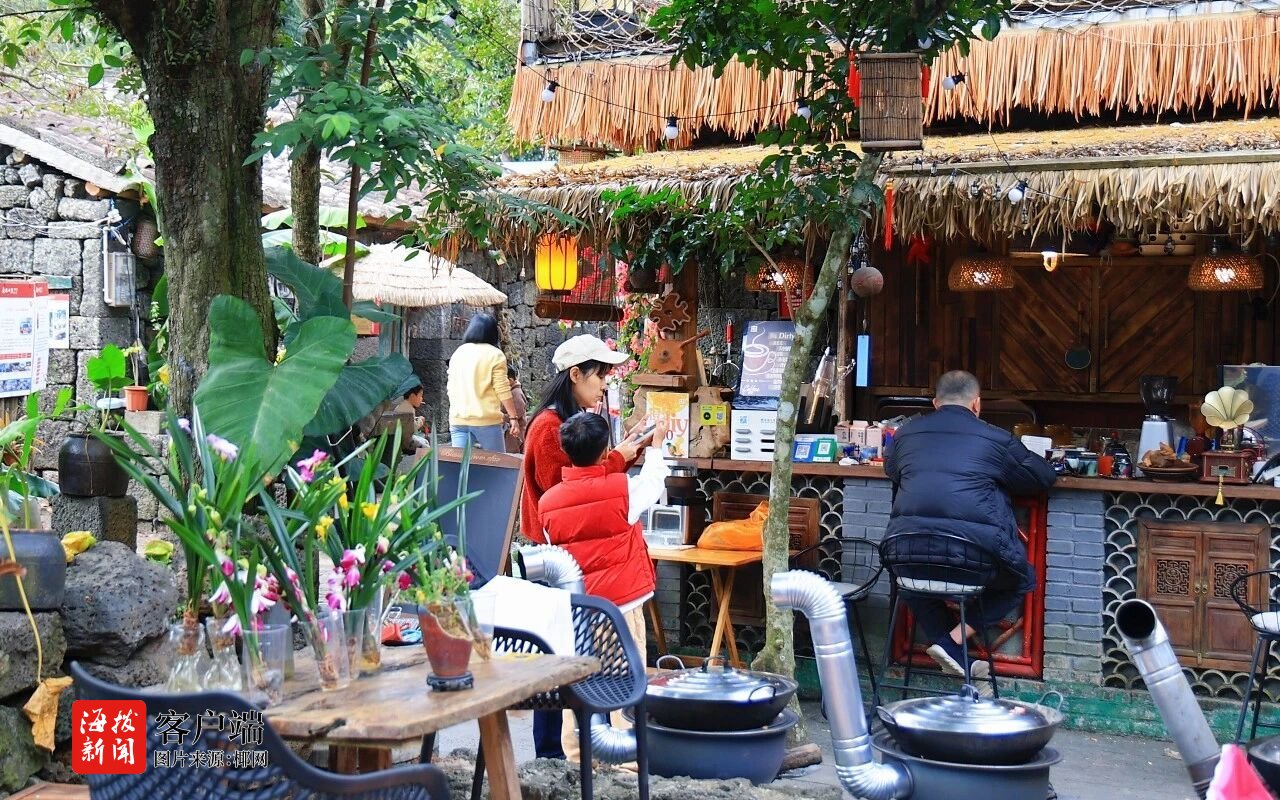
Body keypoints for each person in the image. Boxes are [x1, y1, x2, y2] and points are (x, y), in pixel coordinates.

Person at [883, 369, 1057, 681]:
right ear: (977, 403)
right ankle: (953, 643)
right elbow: (1041, 477)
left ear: (936, 403)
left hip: (903, 552)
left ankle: (950, 649)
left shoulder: (905, 434)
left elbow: (892, 470)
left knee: (909, 579)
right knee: (1022, 580)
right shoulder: (996, 438)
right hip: (971, 558)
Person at [520, 333, 646, 760]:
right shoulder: (547, 428)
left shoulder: (567, 421)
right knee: (557, 657)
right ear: (575, 374)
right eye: (600, 375)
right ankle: (550, 755)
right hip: (554, 557)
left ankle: (572, 750)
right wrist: (620, 458)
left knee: (572, 652)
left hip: (568, 554)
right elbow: (571, 492)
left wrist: (622, 453)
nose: (604, 383)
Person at [538, 411, 668, 763]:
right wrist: (656, 447)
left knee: (578, 683)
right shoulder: (623, 489)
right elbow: (653, 483)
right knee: (625, 683)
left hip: (578, 611)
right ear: (604, 450)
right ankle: (627, 763)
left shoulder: (547, 503)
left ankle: (577, 759)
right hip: (621, 605)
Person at [447, 313, 522, 451]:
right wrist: (513, 418)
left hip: (458, 419)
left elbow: (451, 387)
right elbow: (502, 389)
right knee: (496, 462)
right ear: (493, 333)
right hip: (487, 421)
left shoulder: (459, 352)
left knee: (461, 464)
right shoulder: (495, 354)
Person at [503, 365, 529, 453]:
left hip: (515, 432)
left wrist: (502, 417)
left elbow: (518, 413)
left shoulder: (516, 393)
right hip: (512, 431)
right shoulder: (512, 392)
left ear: (510, 380)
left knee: (512, 456)